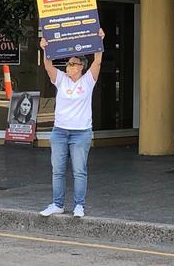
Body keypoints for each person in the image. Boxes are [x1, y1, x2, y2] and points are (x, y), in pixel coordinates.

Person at [38, 29, 104, 218]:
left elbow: (97, 61)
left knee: (79, 171)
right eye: (68, 64)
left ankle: (79, 206)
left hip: (81, 133)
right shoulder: (61, 80)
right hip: (59, 132)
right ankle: (57, 204)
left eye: (73, 64)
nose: (69, 66)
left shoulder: (87, 81)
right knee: (57, 170)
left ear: (81, 66)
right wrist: (45, 48)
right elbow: (48, 65)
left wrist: (99, 41)